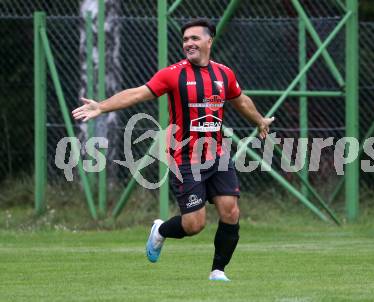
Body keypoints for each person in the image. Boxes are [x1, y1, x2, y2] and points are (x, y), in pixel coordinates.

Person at [72, 18, 274, 281]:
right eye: (185, 40)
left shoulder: (224, 74)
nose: (188, 43)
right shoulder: (173, 74)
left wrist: (259, 120)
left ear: (209, 41)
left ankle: (217, 271)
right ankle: (160, 230)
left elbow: (240, 100)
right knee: (194, 224)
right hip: (186, 159)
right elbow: (137, 93)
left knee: (231, 211)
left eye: (194, 38)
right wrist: (102, 106)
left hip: (218, 156)